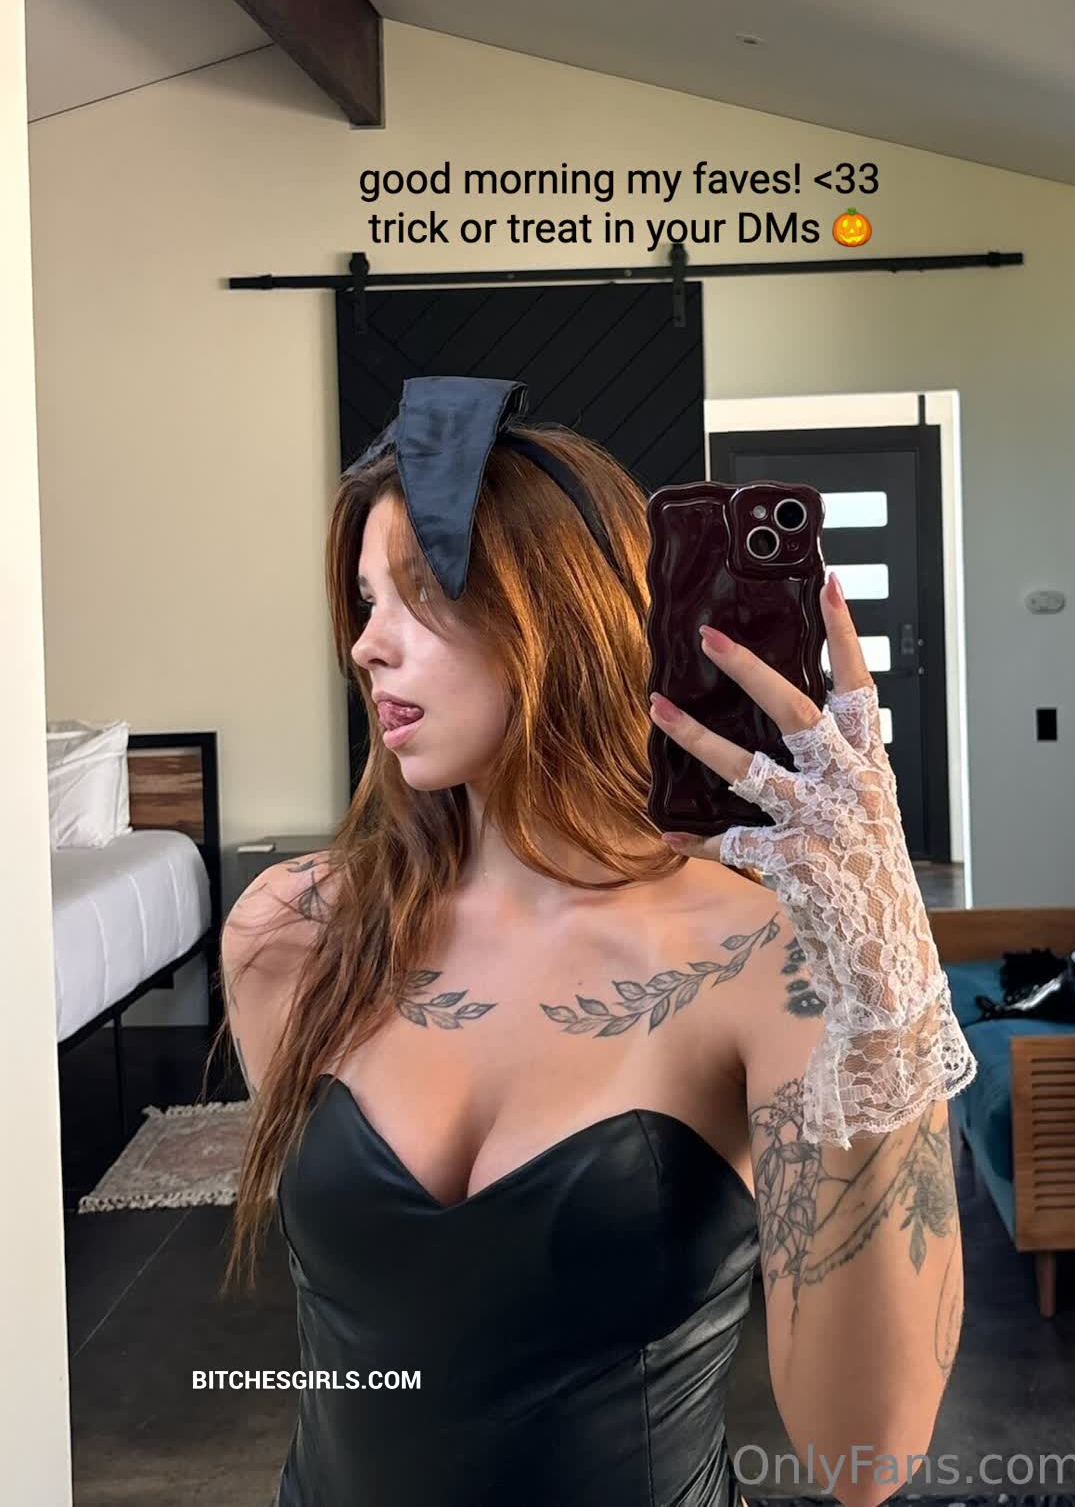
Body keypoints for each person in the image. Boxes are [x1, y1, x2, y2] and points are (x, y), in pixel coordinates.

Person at [218, 376, 976, 1507]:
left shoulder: (768, 963)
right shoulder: (294, 933)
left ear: (563, 615)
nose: (367, 646)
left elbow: (864, 1454)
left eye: (420, 594)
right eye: (366, 601)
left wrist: (888, 983)